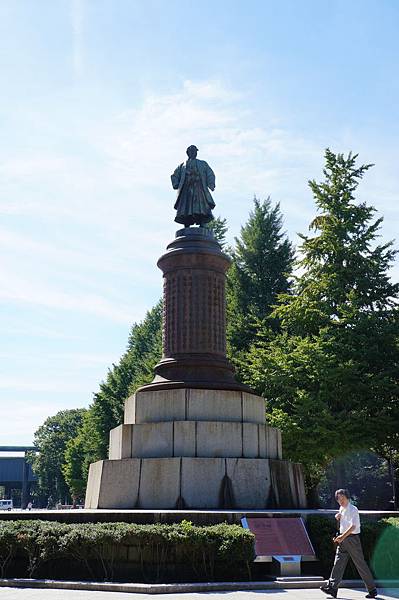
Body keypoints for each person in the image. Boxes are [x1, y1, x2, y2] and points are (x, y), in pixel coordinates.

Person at [320, 489, 378, 599]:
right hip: (343, 539)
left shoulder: (353, 509)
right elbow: (343, 522)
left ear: (347, 497)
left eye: (342, 498)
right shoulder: (341, 508)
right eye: (338, 499)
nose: (340, 500)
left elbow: (353, 527)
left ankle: (372, 589)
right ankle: (332, 588)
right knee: (338, 563)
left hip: (352, 539)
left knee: (360, 564)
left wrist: (342, 537)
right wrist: (338, 517)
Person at [171, 145, 215, 227]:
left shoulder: (202, 164)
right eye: (191, 151)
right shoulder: (182, 166)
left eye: (195, 151)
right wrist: (176, 183)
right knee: (186, 207)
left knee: (201, 207)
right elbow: (175, 175)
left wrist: (211, 183)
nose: (193, 153)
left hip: (199, 188)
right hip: (186, 189)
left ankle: (202, 222)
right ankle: (186, 222)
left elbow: (210, 174)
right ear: (188, 153)